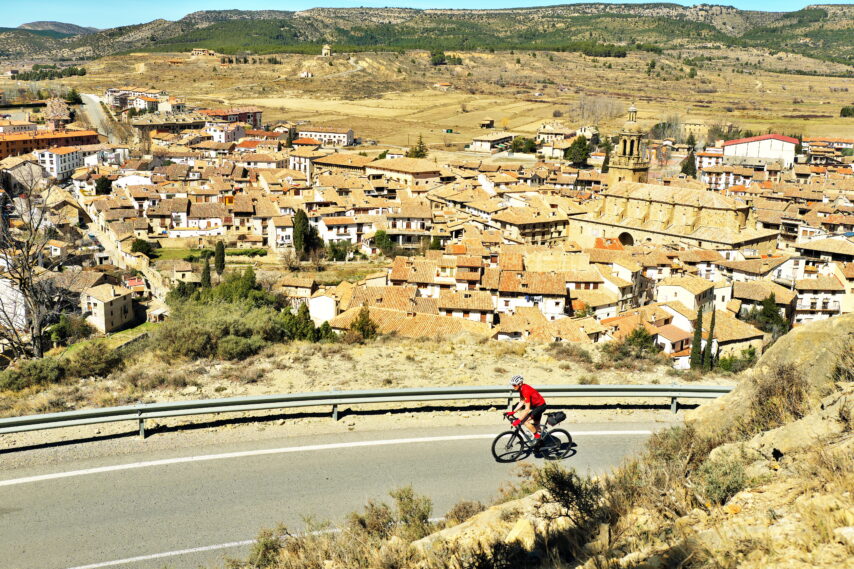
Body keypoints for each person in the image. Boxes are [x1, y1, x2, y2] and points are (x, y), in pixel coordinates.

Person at [505, 375, 547, 446]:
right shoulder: (521, 389)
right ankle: (540, 443)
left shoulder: (525, 390)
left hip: (540, 406)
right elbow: (522, 401)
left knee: (525, 421)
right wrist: (513, 411)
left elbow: (527, 409)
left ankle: (537, 437)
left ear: (520, 383)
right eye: (513, 385)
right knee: (536, 424)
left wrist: (519, 420)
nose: (513, 386)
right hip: (537, 406)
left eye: (514, 385)